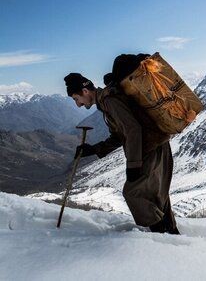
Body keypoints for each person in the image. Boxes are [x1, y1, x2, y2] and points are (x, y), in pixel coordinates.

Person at [64, 72, 180, 234]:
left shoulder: (110, 100)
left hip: (150, 149)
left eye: (76, 99)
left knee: (134, 193)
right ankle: (172, 235)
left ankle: (160, 235)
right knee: (157, 194)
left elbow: (133, 130)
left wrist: (133, 165)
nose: (78, 104)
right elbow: (119, 136)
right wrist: (94, 149)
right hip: (156, 145)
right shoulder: (107, 102)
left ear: (85, 92)